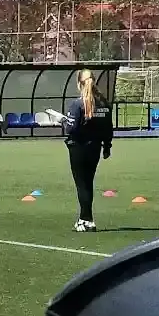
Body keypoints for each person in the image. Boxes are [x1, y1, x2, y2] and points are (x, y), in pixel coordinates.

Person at [62, 69, 114, 233]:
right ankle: (85, 219)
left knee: (81, 185)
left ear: (79, 83)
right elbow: (108, 128)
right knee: (88, 184)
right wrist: (107, 146)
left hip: (78, 148)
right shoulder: (104, 103)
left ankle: (86, 219)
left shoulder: (77, 104)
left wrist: (63, 121)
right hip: (95, 148)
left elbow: (71, 128)